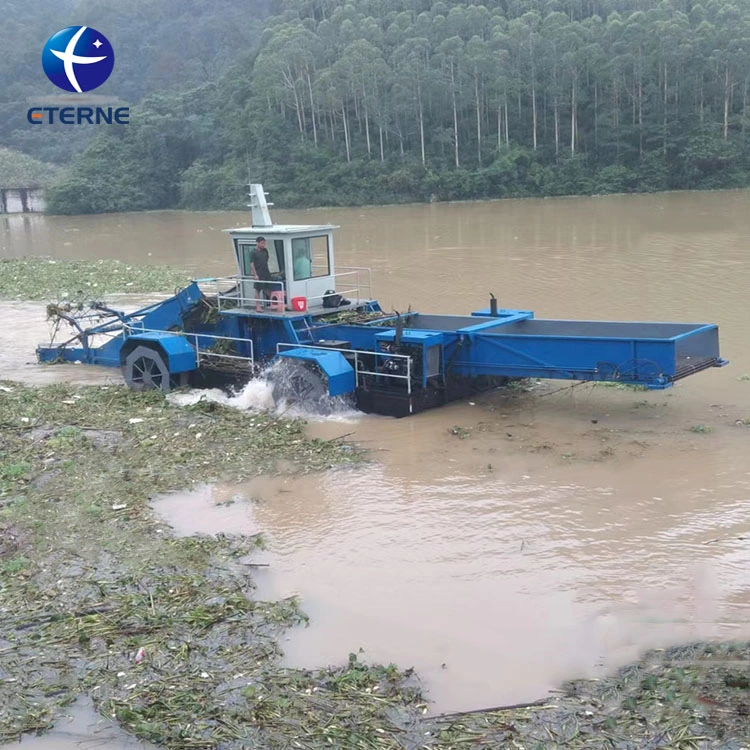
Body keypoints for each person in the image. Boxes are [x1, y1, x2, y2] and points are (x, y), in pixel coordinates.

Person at [250, 236, 272, 311]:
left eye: (264, 243)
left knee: (268, 288)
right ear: (258, 243)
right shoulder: (253, 252)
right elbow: (251, 264)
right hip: (258, 273)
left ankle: (272, 303)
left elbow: (267, 259)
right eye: (262, 243)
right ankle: (258, 306)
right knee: (258, 289)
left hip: (266, 271)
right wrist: (255, 274)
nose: (263, 245)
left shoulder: (265, 250)